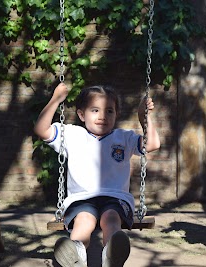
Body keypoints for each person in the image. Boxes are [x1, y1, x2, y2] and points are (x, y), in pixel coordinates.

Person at [34, 83, 160, 267]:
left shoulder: (124, 138)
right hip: (82, 198)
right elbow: (41, 130)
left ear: (116, 115)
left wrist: (144, 117)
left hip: (115, 198)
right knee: (83, 220)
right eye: (95, 110)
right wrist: (56, 100)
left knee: (110, 218)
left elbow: (153, 144)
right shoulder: (72, 135)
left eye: (109, 111)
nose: (103, 116)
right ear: (81, 114)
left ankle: (112, 254)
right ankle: (75, 254)